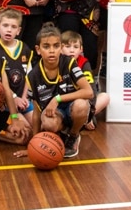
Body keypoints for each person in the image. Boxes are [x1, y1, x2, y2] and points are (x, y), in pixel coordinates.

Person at [25, 23, 94, 158]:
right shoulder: (32, 76)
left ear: (61, 48)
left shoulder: (69, 63)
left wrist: (57, 99)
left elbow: (89, 92)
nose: (52, 50)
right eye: (46, 46)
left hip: (74, 108)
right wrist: (33, 144)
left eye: (56, 46)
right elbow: (37, 113)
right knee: (48, 122)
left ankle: (73, 135)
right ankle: (62, 133)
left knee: (81, 105)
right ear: (38, 50)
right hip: (56, 114)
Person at [0, 9, 34, 128]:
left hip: (22, 99)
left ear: (18, 30)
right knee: (26, 130)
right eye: (5, 25)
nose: (9, 29)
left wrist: (24, 97)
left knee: (38, 127)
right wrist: (14, 98)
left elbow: (28, 76)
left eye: (13, 27)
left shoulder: (25, 48)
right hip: (4, 103)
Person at [61, 30, 109, 130]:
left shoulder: (84, 63)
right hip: (63, 102)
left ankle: (85, 118)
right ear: (60, 49)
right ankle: (75, 121)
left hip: (82, 102)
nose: (72, 50)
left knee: (105, 97)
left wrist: (89, 113)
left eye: (75, 47)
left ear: (81, 49)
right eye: (67, 46)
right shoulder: (57, 63)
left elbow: (92, 90)